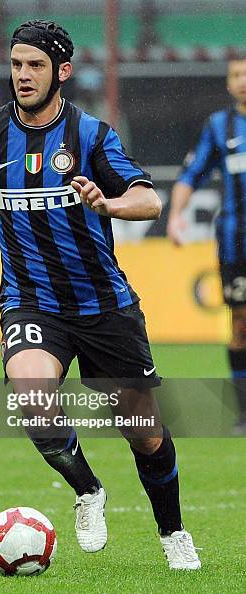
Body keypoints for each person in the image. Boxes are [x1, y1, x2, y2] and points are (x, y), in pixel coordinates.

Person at [0, 20, 200, 570]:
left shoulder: (92, 135)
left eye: (35, 65)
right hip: (31, 302)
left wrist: (109, 206)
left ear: (62, 72)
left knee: (143, 432)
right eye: (16, 64)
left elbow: (148, 200)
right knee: (30, 394)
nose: (23, 75)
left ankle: (173, 533)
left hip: (103, 304)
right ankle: (88, 490)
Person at [167, 57, 246, 434]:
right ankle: (245, 412)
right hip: (237, 244)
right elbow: (191, 174)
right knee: (241, 325)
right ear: (228, 82)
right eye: (235, 75)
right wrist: (176, 215)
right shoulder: (220, 126)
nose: (242, 81)